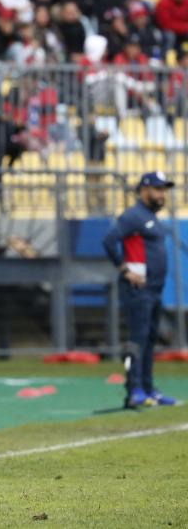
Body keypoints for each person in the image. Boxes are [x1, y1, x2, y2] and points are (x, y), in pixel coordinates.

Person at [102, 172, 179, 408]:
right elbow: (109, 240)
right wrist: (125, 271)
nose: (161, 194)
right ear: (143, 190)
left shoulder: (151, 218)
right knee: (138, 339)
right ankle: (134, 389)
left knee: (149, 339)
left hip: (154, 290)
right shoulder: (134, 215)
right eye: (157, 189)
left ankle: (148, 388)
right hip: (138, 290)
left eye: (163, 190)